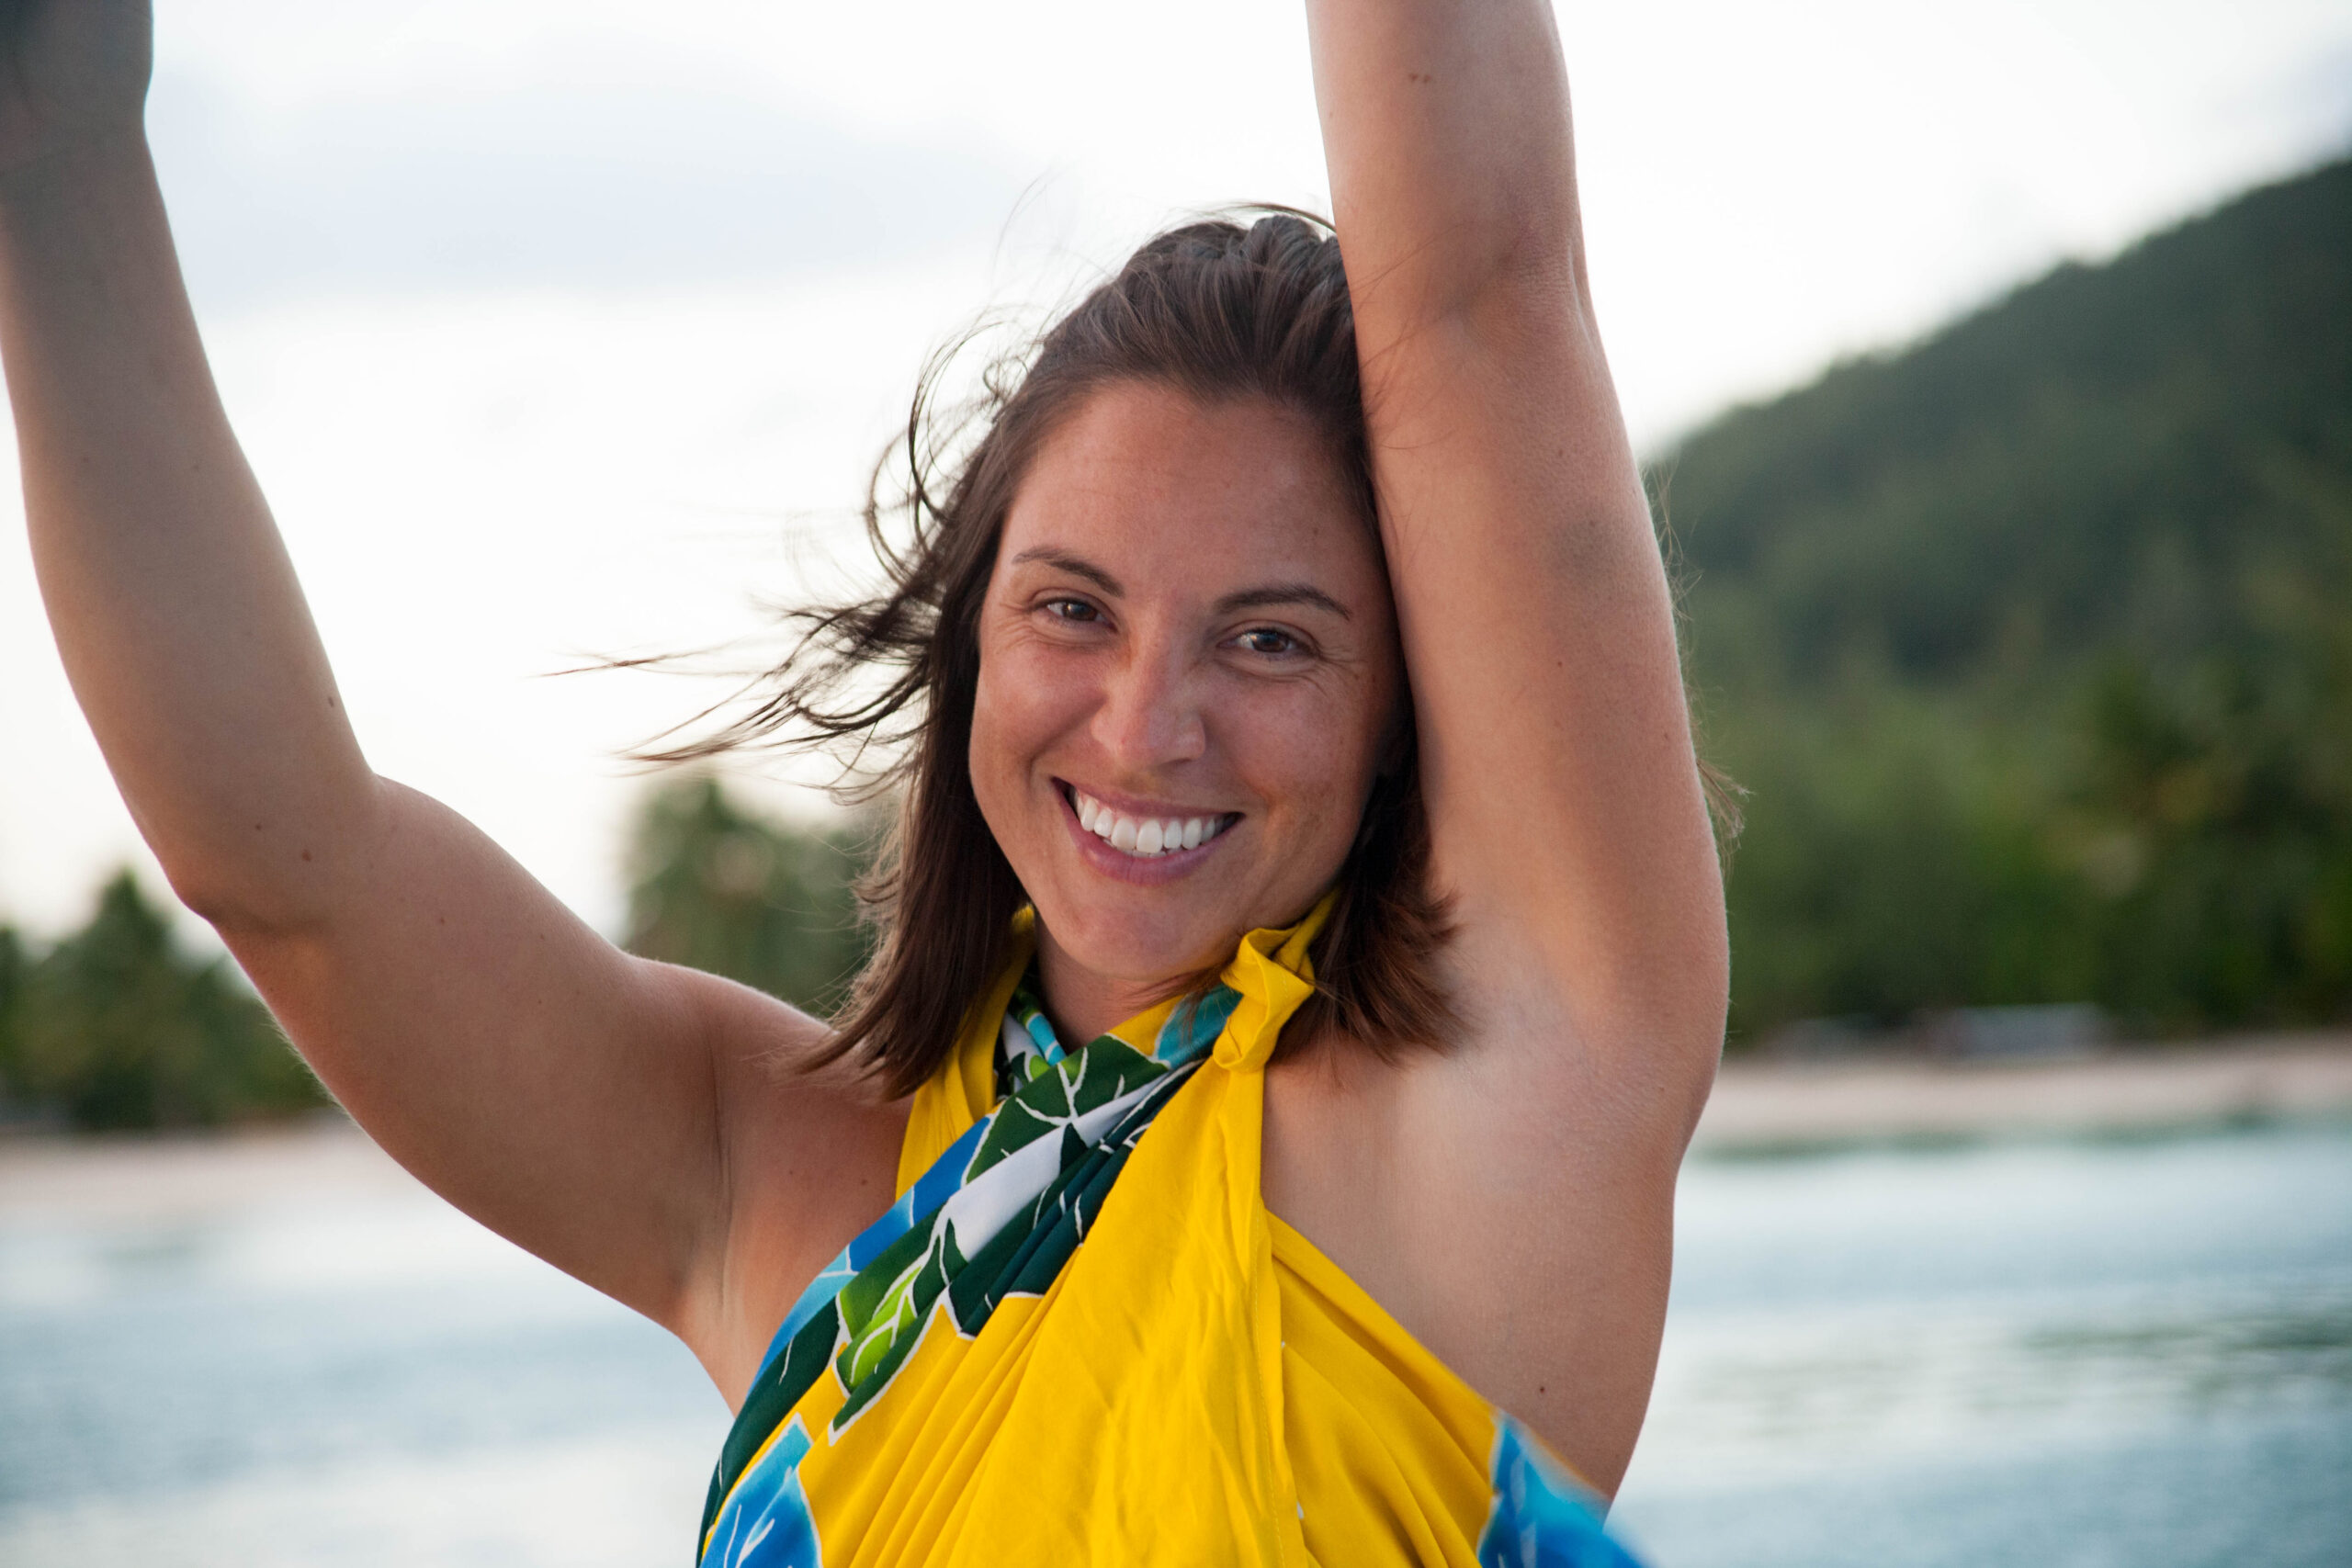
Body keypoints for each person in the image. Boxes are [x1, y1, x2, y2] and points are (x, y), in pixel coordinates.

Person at [0, 0, 1728, 1562]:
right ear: (973, 637)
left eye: (1270, 641)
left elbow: (1478, 296)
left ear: (1407, 718)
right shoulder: (793, 1173)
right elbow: (283, 866)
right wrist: (57, 145)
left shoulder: (1500, 1105)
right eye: (1073, 609)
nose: (1148, 725)